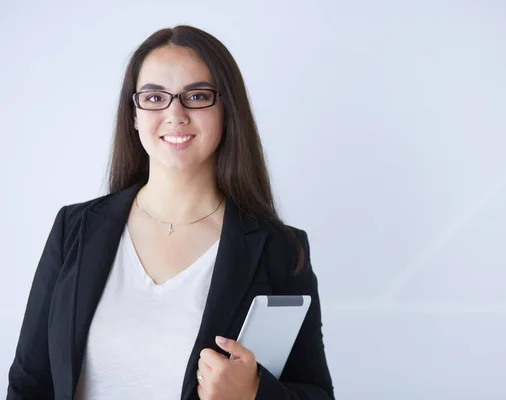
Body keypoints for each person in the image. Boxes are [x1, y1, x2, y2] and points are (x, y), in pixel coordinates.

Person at [7, 25, 334, 400]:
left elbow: (318, 393)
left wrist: (254, 394)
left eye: (197, 96)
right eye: (154, 97)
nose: (175, 113)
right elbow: (29, 383)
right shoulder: (75, 229)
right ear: (133, 114)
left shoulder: (279, 248)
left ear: (227, 110)